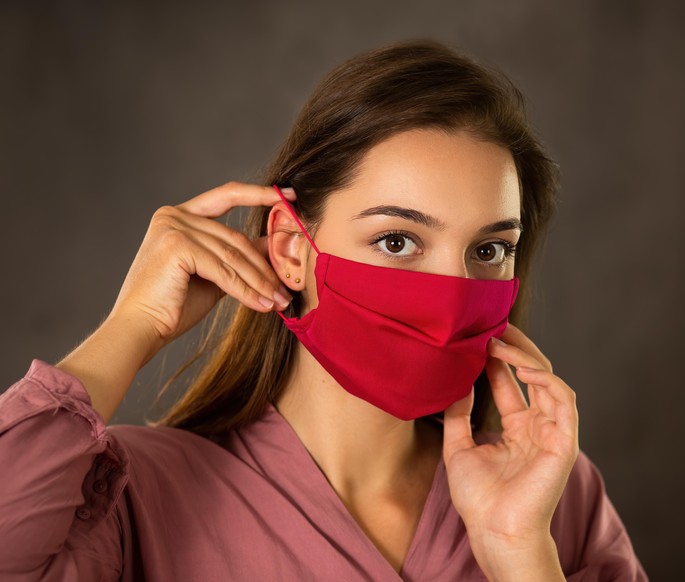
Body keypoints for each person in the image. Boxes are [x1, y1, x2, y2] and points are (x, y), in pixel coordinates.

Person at [0, 40, 647, 581]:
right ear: (291, 249)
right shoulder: (133, 496)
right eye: (397, 242)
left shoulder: (550, 491)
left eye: (488, 248)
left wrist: (519, 551)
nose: (451, 292)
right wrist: (135, 324)